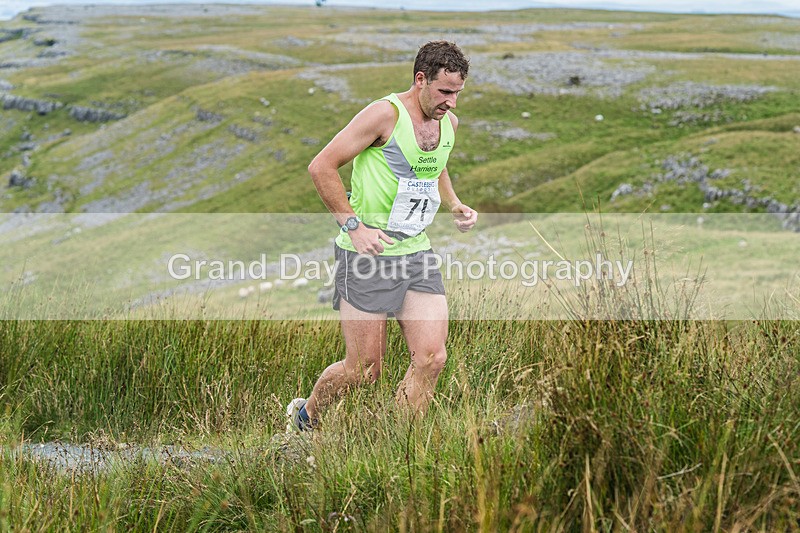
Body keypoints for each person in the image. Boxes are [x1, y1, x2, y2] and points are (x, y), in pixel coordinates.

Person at [287, 40, 478, 432]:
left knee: (431, 358)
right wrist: (353, 226)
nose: (452, 103)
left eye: (458, 93)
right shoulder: (383, 116)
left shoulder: (448, 124)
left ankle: (393, 443)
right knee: (364, 370)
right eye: (444, 92)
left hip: (416, 254)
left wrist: (454, 203)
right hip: (366, 257)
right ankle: (305, 417)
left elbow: (434, 166)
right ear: (420, 79)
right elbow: (321, 166)